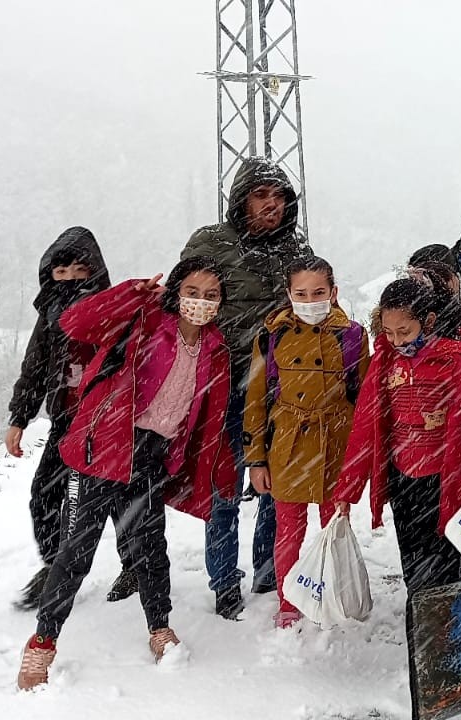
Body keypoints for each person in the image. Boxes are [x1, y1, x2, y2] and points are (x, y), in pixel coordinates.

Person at [17, 256, 237, 691]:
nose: (201, 301)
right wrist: (130, 292)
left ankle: (160, 628)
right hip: (106, 447)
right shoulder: (145, 319)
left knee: (150, 547)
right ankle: (42, 643)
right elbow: (76, 323)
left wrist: (216, 473)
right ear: (175, 291)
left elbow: (210, 418)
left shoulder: (216, 348)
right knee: (77, 549)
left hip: (152, 456)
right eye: (192, 291)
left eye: (211, 295)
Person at [183, 157, 311, 619]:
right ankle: (223, 581)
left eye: (279, 197)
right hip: (222, 388)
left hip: (280, 393)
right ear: (241, 198)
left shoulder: (296, 252)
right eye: (261, 195)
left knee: (276, 487)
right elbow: (184, 306)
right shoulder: (209, 244)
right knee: (224, 490)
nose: (271, 205)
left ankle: (269, 570)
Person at [5, 227, 136, 610]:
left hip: (109, 425)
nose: (71, 279)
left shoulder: (114, 311)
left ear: (95, 272)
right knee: (44, 494)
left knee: (121, 500)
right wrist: (19, 418)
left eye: (80, 271)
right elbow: (33, 368)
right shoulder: (49, 316)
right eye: (61, 272)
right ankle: (52, 566)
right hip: (65, 423)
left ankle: (134, 568)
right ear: (49, 275)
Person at [332, 279, 461, 601]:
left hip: (445, 479)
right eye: (388, 332)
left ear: (428, 321)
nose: (397, 340)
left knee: (449, 554)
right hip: (403, 478)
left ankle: (449, 618)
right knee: (414, 557)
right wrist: (348, 487)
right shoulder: (385, 362)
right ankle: (423, 611)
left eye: (405, 331)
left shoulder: (456, 361)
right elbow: (365, 428)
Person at [244, 256, 366, 628]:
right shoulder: (271, 335)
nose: (310, 300)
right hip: (288, 445)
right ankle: (288, 599)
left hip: (336, 445)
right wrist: (256, 459)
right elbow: (255, 400)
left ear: (334, 292)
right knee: (289, 529)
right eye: (301, 293)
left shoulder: (352, 335)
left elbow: (364, 403)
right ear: (288, 294)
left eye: (318, 292)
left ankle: (332, 593)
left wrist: (361, 461)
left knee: (337, 526)